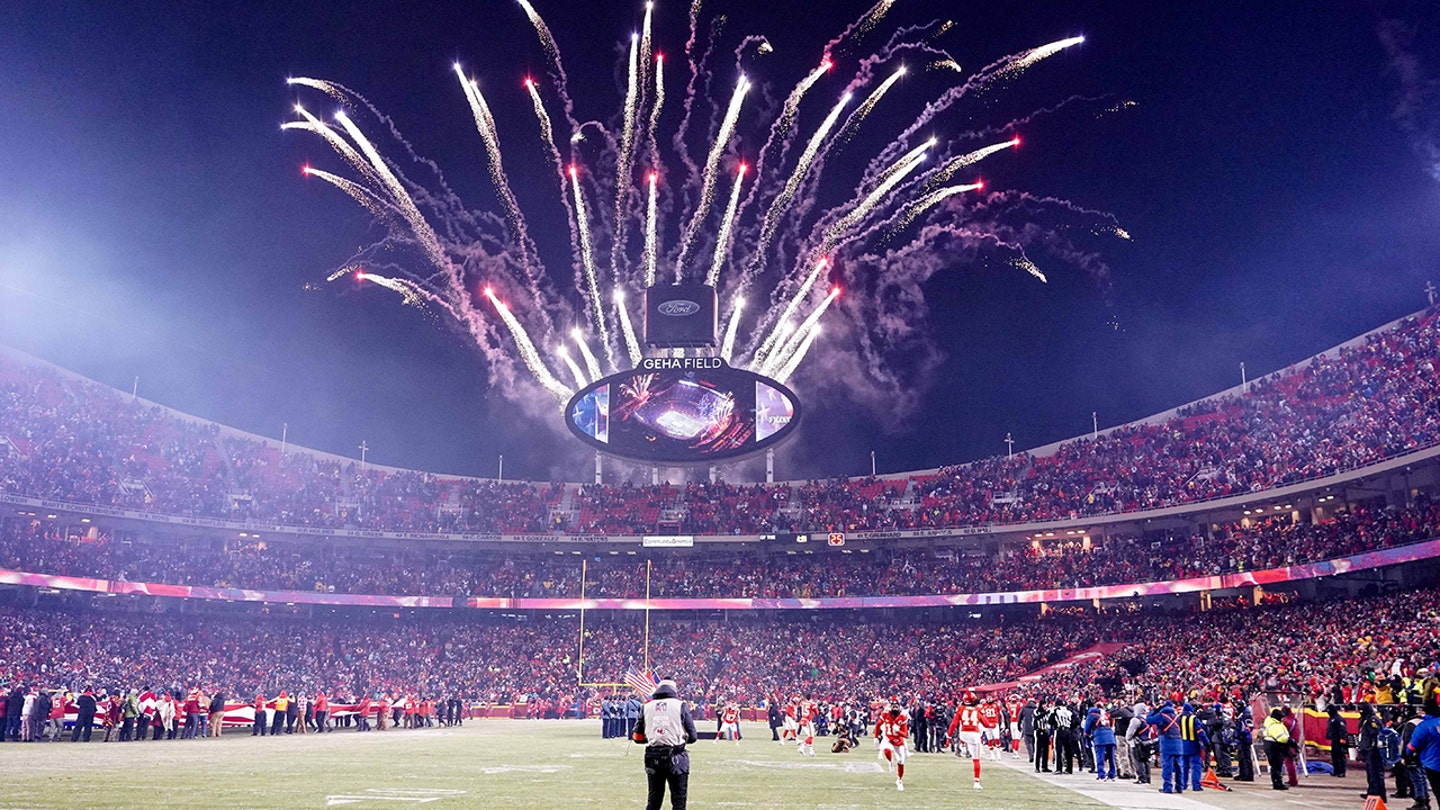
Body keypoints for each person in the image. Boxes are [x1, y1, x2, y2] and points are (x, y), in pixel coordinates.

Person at [631, 679, 697, 810]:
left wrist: (653, 737)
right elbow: (693, 737)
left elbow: (637, 737)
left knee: (654, 801)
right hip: (677, 759)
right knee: (679, 801)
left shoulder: (646, 706)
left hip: (653, 758)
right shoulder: (681, 705)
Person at [948, 690, 984, 790]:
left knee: (962, 733)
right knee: (976, 760)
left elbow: (953, 724)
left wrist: (948, 737)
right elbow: (986, 723)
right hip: (974, 733)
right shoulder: (977, 710)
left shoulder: (960, 708)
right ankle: (976, 782)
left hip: (963, 732)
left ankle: (962, 746)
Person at [1147, 701, 1185, 793]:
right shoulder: (1177, 716)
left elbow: (1149, 720)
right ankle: (1179, 787)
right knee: (1179, 766)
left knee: (1167, 766)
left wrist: (1153, 710)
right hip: (1178, 743)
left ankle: (1167, 787)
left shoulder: (1162, 715)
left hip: (1167, 742)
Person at [875, 697, 911, 792]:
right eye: (893, 706)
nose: (895, 708)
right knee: (887, 750)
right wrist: (876, 737)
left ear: (899, 707)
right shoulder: (886, 713)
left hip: (898, 740)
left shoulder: (903, 716)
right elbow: (878, 724)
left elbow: (906, 735)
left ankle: (899, 780)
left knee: (900, 761)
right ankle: (890, 762)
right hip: (888, 738)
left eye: (896, 706)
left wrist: (898, 731)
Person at [1360, 702, 1388, 800]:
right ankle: (1372, 791)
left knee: (1376, 772)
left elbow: (1375, 734)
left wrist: (1371, 748)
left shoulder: (1372, 720)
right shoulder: (1367, 719)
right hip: (1369, 749)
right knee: (1371, 773)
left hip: (1374, 751)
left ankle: (1379, 793)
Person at [1085, 702, 1118, 781]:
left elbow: (1087, 728)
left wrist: (1086, 737)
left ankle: (1101, 774)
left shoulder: (1091, 715)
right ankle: (1112, 774)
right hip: (1110, 736)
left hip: (1099, 737)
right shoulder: (1106, 714)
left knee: (1100, 757)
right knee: (1111, 757)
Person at [1263, 707, 1292, 791]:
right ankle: (1277, 783)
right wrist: (1289, 740)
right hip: (1274, 746)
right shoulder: (1275, 726)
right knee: (1276, 765)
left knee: (1276, 765)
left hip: (1271, 745)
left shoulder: (1272, 723)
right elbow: (1281, 738)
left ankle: (1278, 782)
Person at [1327, 704, 1349, 777]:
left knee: (1340, 756)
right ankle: (1336, 770)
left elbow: (1343, 729)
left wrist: (1343, 739)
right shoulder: (1331, 718)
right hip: (1334, 740)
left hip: (1339, 740)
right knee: (1334, 756)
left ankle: (1342, 771)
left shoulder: (1338, 719)